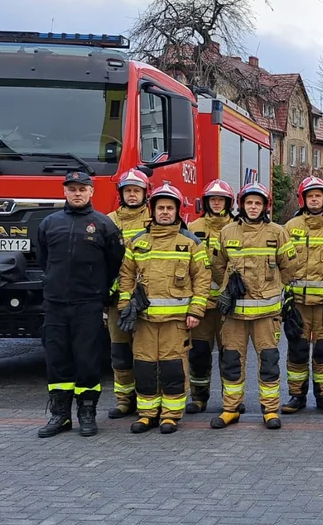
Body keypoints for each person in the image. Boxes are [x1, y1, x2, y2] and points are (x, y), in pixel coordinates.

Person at [35, 171, 124, 438]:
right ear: (64, 192)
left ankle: (87, 413)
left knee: (87, 360)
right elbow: (44, 259)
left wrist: (99, 290)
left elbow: (115, 262)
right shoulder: (49, 224)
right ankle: (60, 416)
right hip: (55, 304)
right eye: (72, 189)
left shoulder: (104, 225)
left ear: (91, 192)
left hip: (87, 304)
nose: (77, 193)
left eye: (82, 189)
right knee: (57, 360)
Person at [116, 184, 211, 434]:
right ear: (153, 210)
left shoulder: (190, 242)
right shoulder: (138, 242)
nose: (165, 212)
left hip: (176, 322)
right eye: (161, 208)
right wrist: (126, 307)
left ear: (178, 211)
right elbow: (126, 276)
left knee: (172, 368)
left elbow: (202, 279)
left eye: (170, 208)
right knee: (145, 367)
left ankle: (170, 415)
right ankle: (147, 414)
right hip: (144, 321)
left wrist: (195, 311)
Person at [212, 182, 298, 430]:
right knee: (231, 361)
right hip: (235, 314)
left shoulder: (277, 232)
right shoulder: (227, 232)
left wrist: (275, 289)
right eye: (249, 202)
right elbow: (217, 266)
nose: (252, 207)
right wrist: (229, 284)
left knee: (269, 361)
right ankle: (231, 408)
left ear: (265, 206)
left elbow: (289, 267)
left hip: (266, 314)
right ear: (241, 205)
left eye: (257, 203)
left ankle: (270, 410)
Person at [282, 176, 323, 415]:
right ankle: (296, 395)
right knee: (297, 350)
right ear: (303, 199)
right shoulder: (290, 227)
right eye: (310, 196)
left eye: (318, 195)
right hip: (297, 303)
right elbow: (282, 263)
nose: (315, 199)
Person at [185, 179, 236, 414]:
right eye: (212, 199)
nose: (216, 203)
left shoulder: (238, 227)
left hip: (229, 306)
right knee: (199, 354)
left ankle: (231, 399)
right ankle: (199, 398)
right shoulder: (193, 227)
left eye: (221, 199)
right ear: (206, 202)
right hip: (202, 306)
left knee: (230, 356)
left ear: (228, 202)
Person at [105, 168, 150, 419]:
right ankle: (124, 400)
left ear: (146, 193)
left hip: (146, 299)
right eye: (128, 191)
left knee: (145, 352)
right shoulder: (108, 221)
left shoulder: (156, 219)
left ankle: (147, 399)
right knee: (120, 351)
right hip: (117, 299)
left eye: (136, 190)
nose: (132, 195)